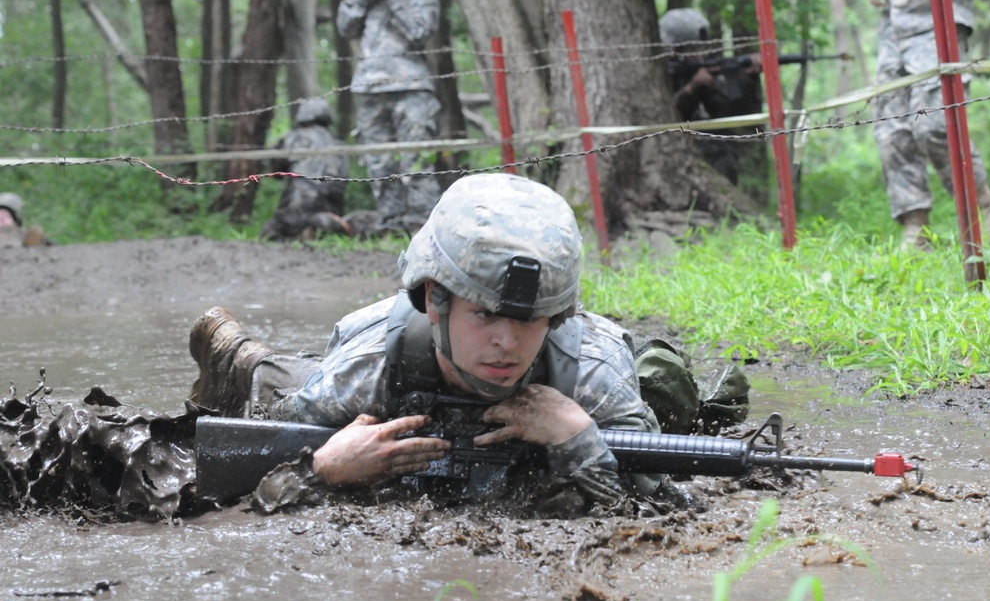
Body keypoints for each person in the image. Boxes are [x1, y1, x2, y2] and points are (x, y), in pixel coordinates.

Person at [189, 173, 662, 505]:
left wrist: (578, 439)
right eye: (484, 315)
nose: (508, 343)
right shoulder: (367, 366)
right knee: (270, 380)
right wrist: (321, 468)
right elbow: (243, 479)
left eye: (531, 320)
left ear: (556, 316)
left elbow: (664, 507)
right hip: (347, 375)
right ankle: (235, 353)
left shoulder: (594, 375)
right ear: (436, 300)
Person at [861, 0, 990, 250]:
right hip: (894, 24)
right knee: (892, 129)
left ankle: (987, 207)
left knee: (935, 124)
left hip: (938, 15)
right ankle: (916, 228)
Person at [336, 0, 443, 236]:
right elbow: (345, 27)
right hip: (369, 88)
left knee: (416, 161)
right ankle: (390, 227)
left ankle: (425, 229)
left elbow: (420, 30)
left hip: (412, 88)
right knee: (378, 165)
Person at [659, 8, 766, 188]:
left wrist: (747, 79)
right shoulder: (661, 74)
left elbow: (731, 113)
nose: (699, 54)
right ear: (673, 49)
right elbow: (664, 116)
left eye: (700, 47)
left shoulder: (707, 67)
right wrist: (691, 87)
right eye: (692, 48)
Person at [259, 99, 351, 242]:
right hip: (331, 213)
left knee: (267, 236)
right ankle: (310, 234)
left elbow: (275, 171)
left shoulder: (292, 138)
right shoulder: (339, 145)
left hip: (295, 209)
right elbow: (344, 178)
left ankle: (298, 236)